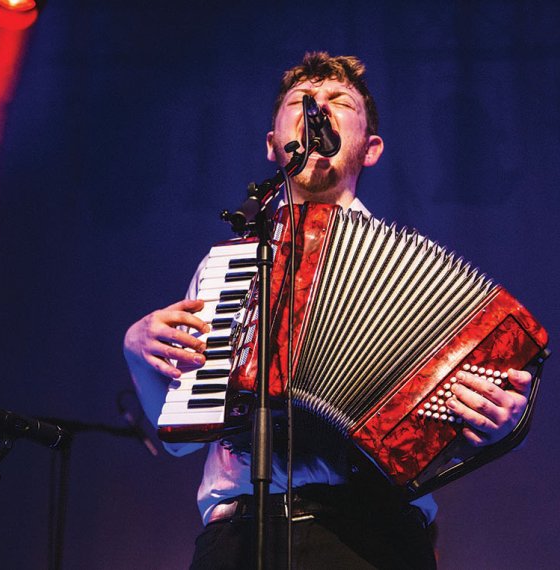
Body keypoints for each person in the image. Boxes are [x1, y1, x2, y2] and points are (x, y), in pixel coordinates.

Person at [123, 52, 533, 569]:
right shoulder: (226, 266)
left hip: (372, 537)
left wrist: (497, 427)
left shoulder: (409, 269)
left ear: (371, 148)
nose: (318, 110)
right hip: (239, 537)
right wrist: (137, 348)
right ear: (273, 146)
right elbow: (181, 438)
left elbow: (462, 432)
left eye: (340, 104)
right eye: (301, 103)